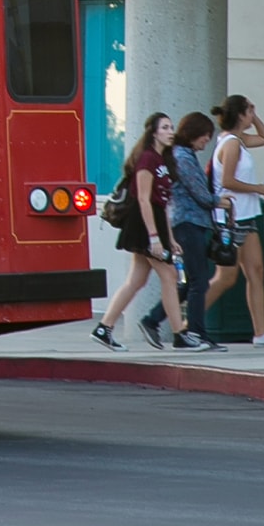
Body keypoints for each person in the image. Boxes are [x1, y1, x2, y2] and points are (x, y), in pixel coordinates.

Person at [94, 112, 212, 351]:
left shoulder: (163, 160)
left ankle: (104, 328)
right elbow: (145, 200)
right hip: (142, 225)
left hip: (156, 224)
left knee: (136, 280)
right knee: (169, 275)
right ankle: (180, 334)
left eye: (171, 127)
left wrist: (169, 238)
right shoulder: (146, 159)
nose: (171, 131)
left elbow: (164, 203)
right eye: (165, 127)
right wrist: (155, 239)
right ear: (154, 132)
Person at [204, 94, 264, 347]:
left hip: (247, 215)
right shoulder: (230, 143)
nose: (253, 113)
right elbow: (227, 181)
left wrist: (253, 115)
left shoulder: (239, 140)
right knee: (226, 277)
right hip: (232, 218)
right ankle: (188, 324)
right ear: (240, 114)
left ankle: (261, 332)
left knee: (256, 271)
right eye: (249, 110)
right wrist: (258, 189)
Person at [138, 112, 225, 350]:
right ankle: (195, 332)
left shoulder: (181, 156)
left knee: (187, 283)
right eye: (205, 136)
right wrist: (221, 201)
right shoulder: (182, 158)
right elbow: (200, 194)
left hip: (186, 224)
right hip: (188, 224)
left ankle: (153, 320)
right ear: (194, 133)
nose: (206, 141)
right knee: (198, 281)